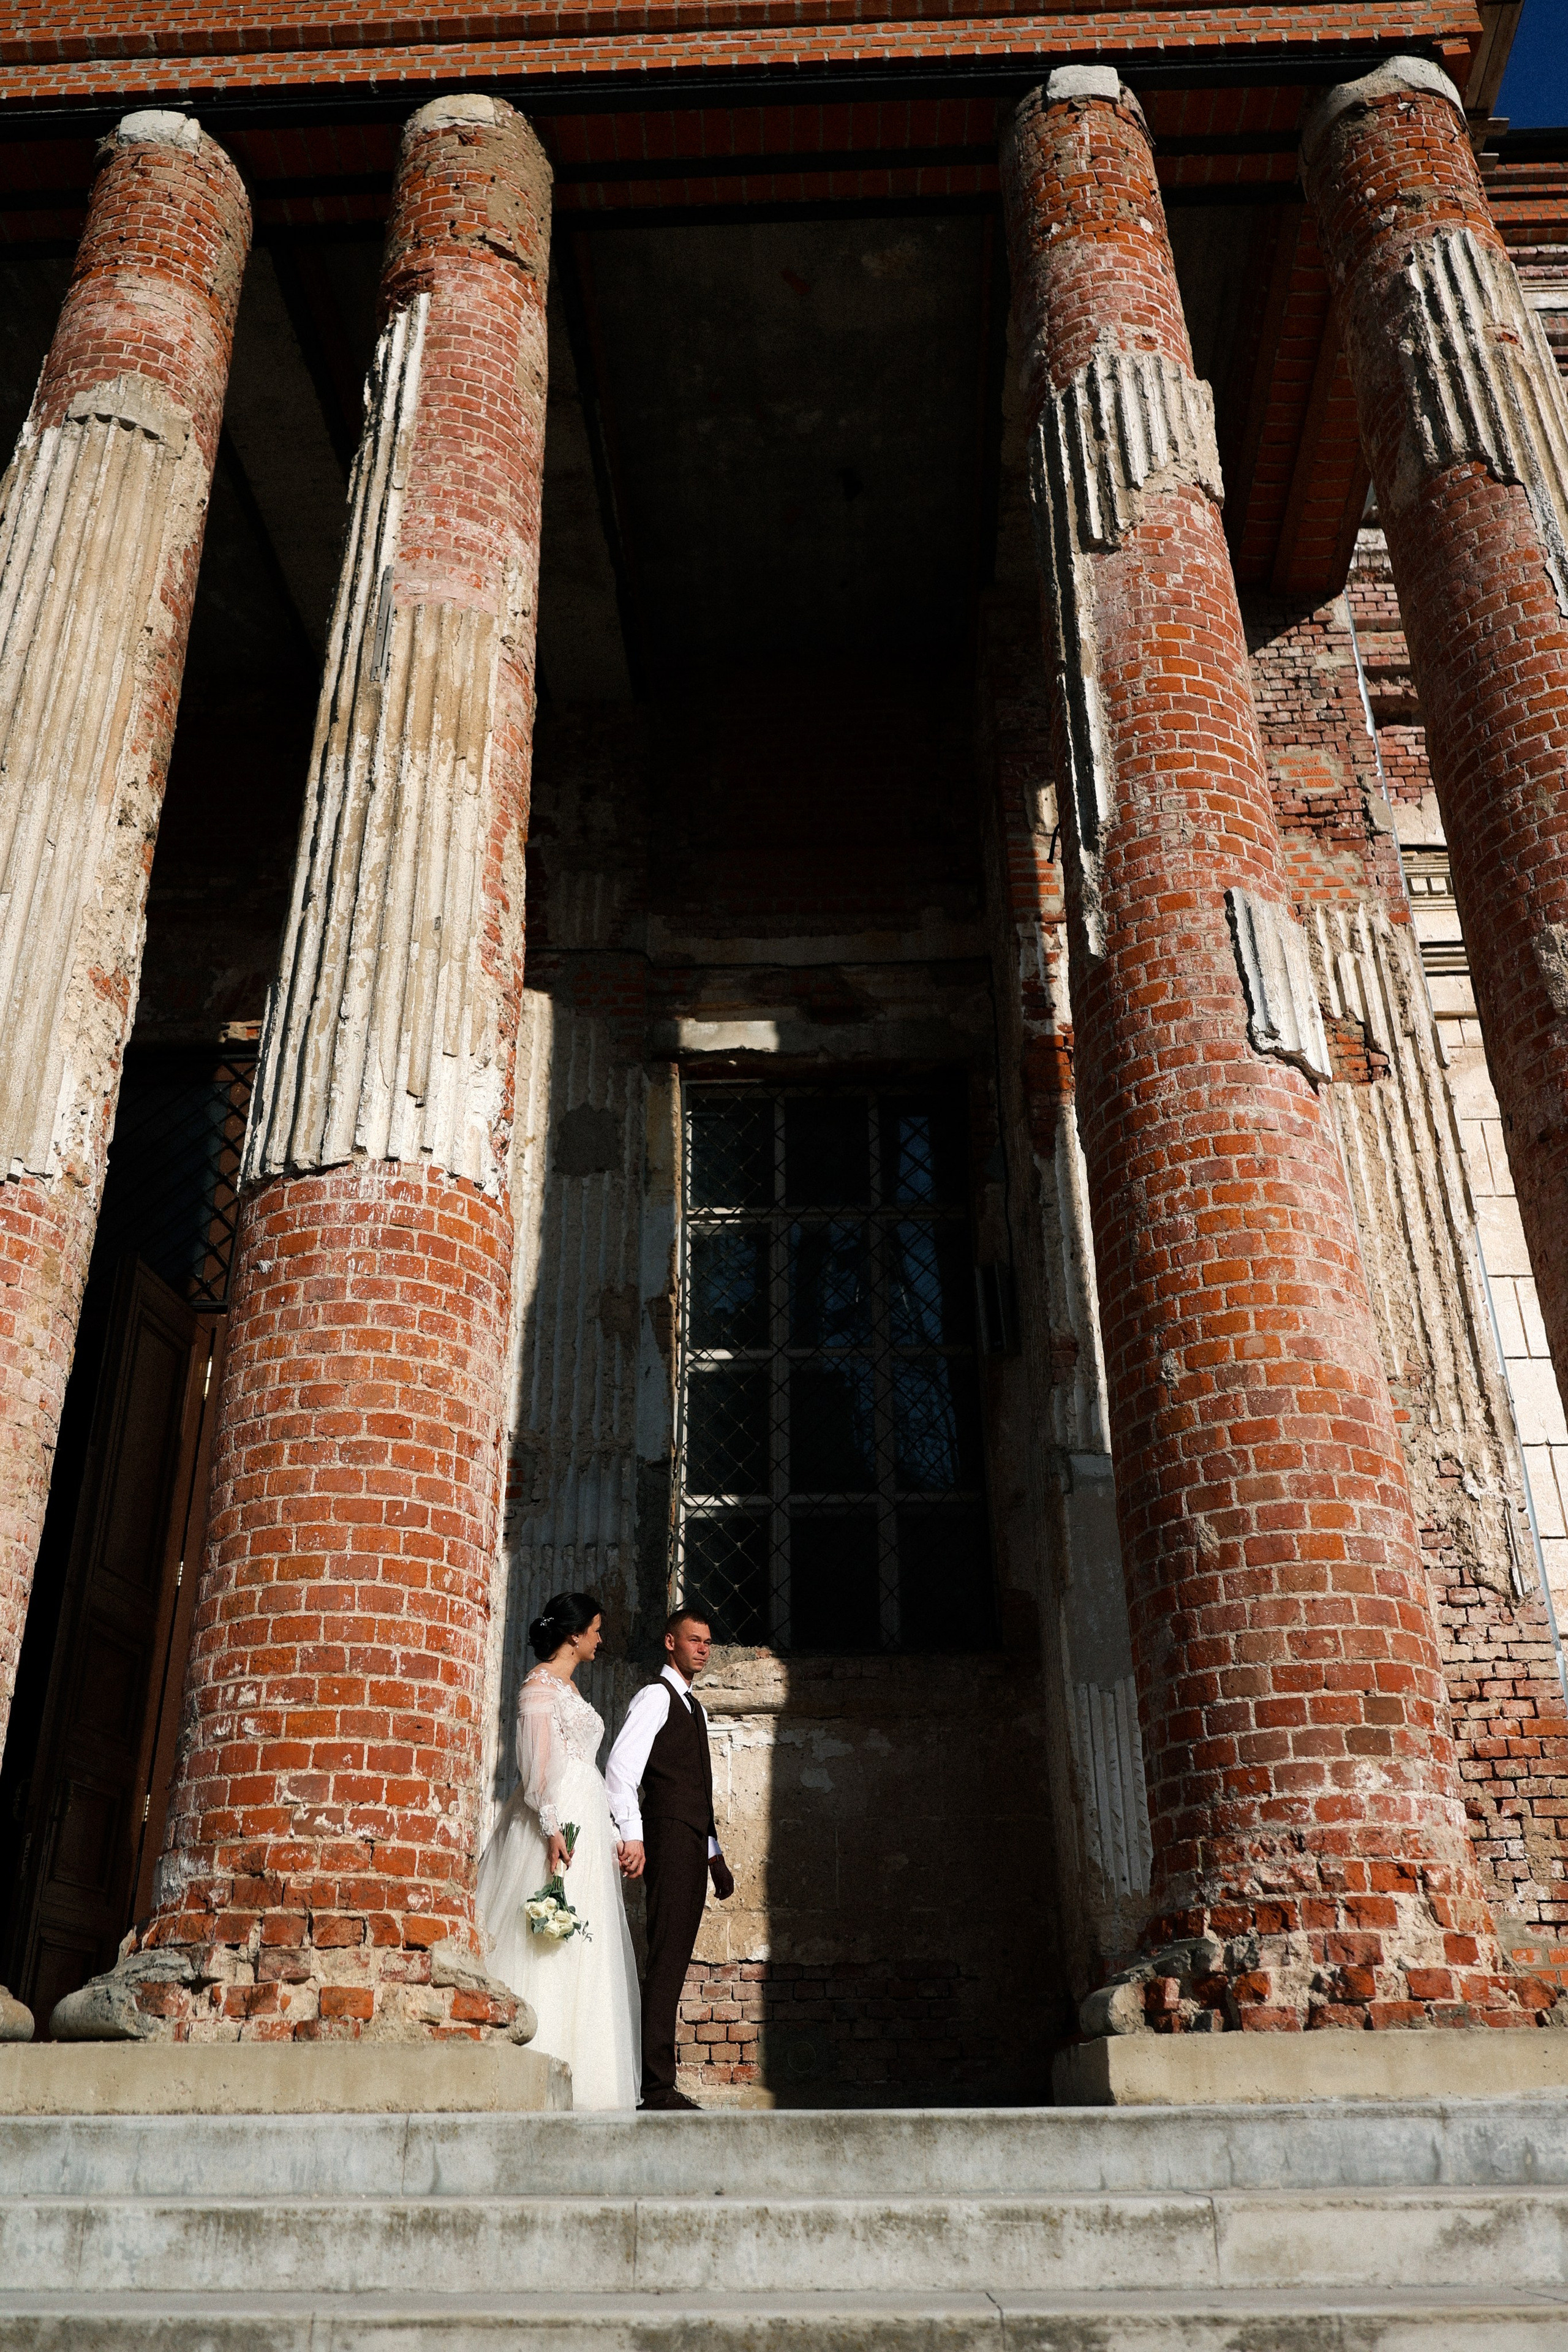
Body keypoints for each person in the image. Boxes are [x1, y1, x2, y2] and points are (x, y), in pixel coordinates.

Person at [475, 1592, 641, 2109]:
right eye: (595, 1630)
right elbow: (536, 1769)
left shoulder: (568, 1686)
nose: (599, 1639)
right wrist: (551, 1830)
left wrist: (613, 1834)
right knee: (545, 1937)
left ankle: (589, 2073)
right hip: (557, 1823)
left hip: (586, 1820)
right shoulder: (539, 1687)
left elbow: (585, 1767)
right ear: (573, 1634)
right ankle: (535, 2059)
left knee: (585, 1945)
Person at [606, 1605, 734, 2111]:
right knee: (665, 1960)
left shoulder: (694, 1708)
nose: (703, 1648)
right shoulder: (654, 1698)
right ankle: (655, 2086)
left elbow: (695, 1792)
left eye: (707, 1641)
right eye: (693, 1639)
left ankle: (659, 2080)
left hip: (690, 1844)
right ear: (670, 1643)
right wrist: (632, 1836)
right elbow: (620, 1770)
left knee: (675, 1961)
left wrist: (715, 1856)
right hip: (664, 1840)